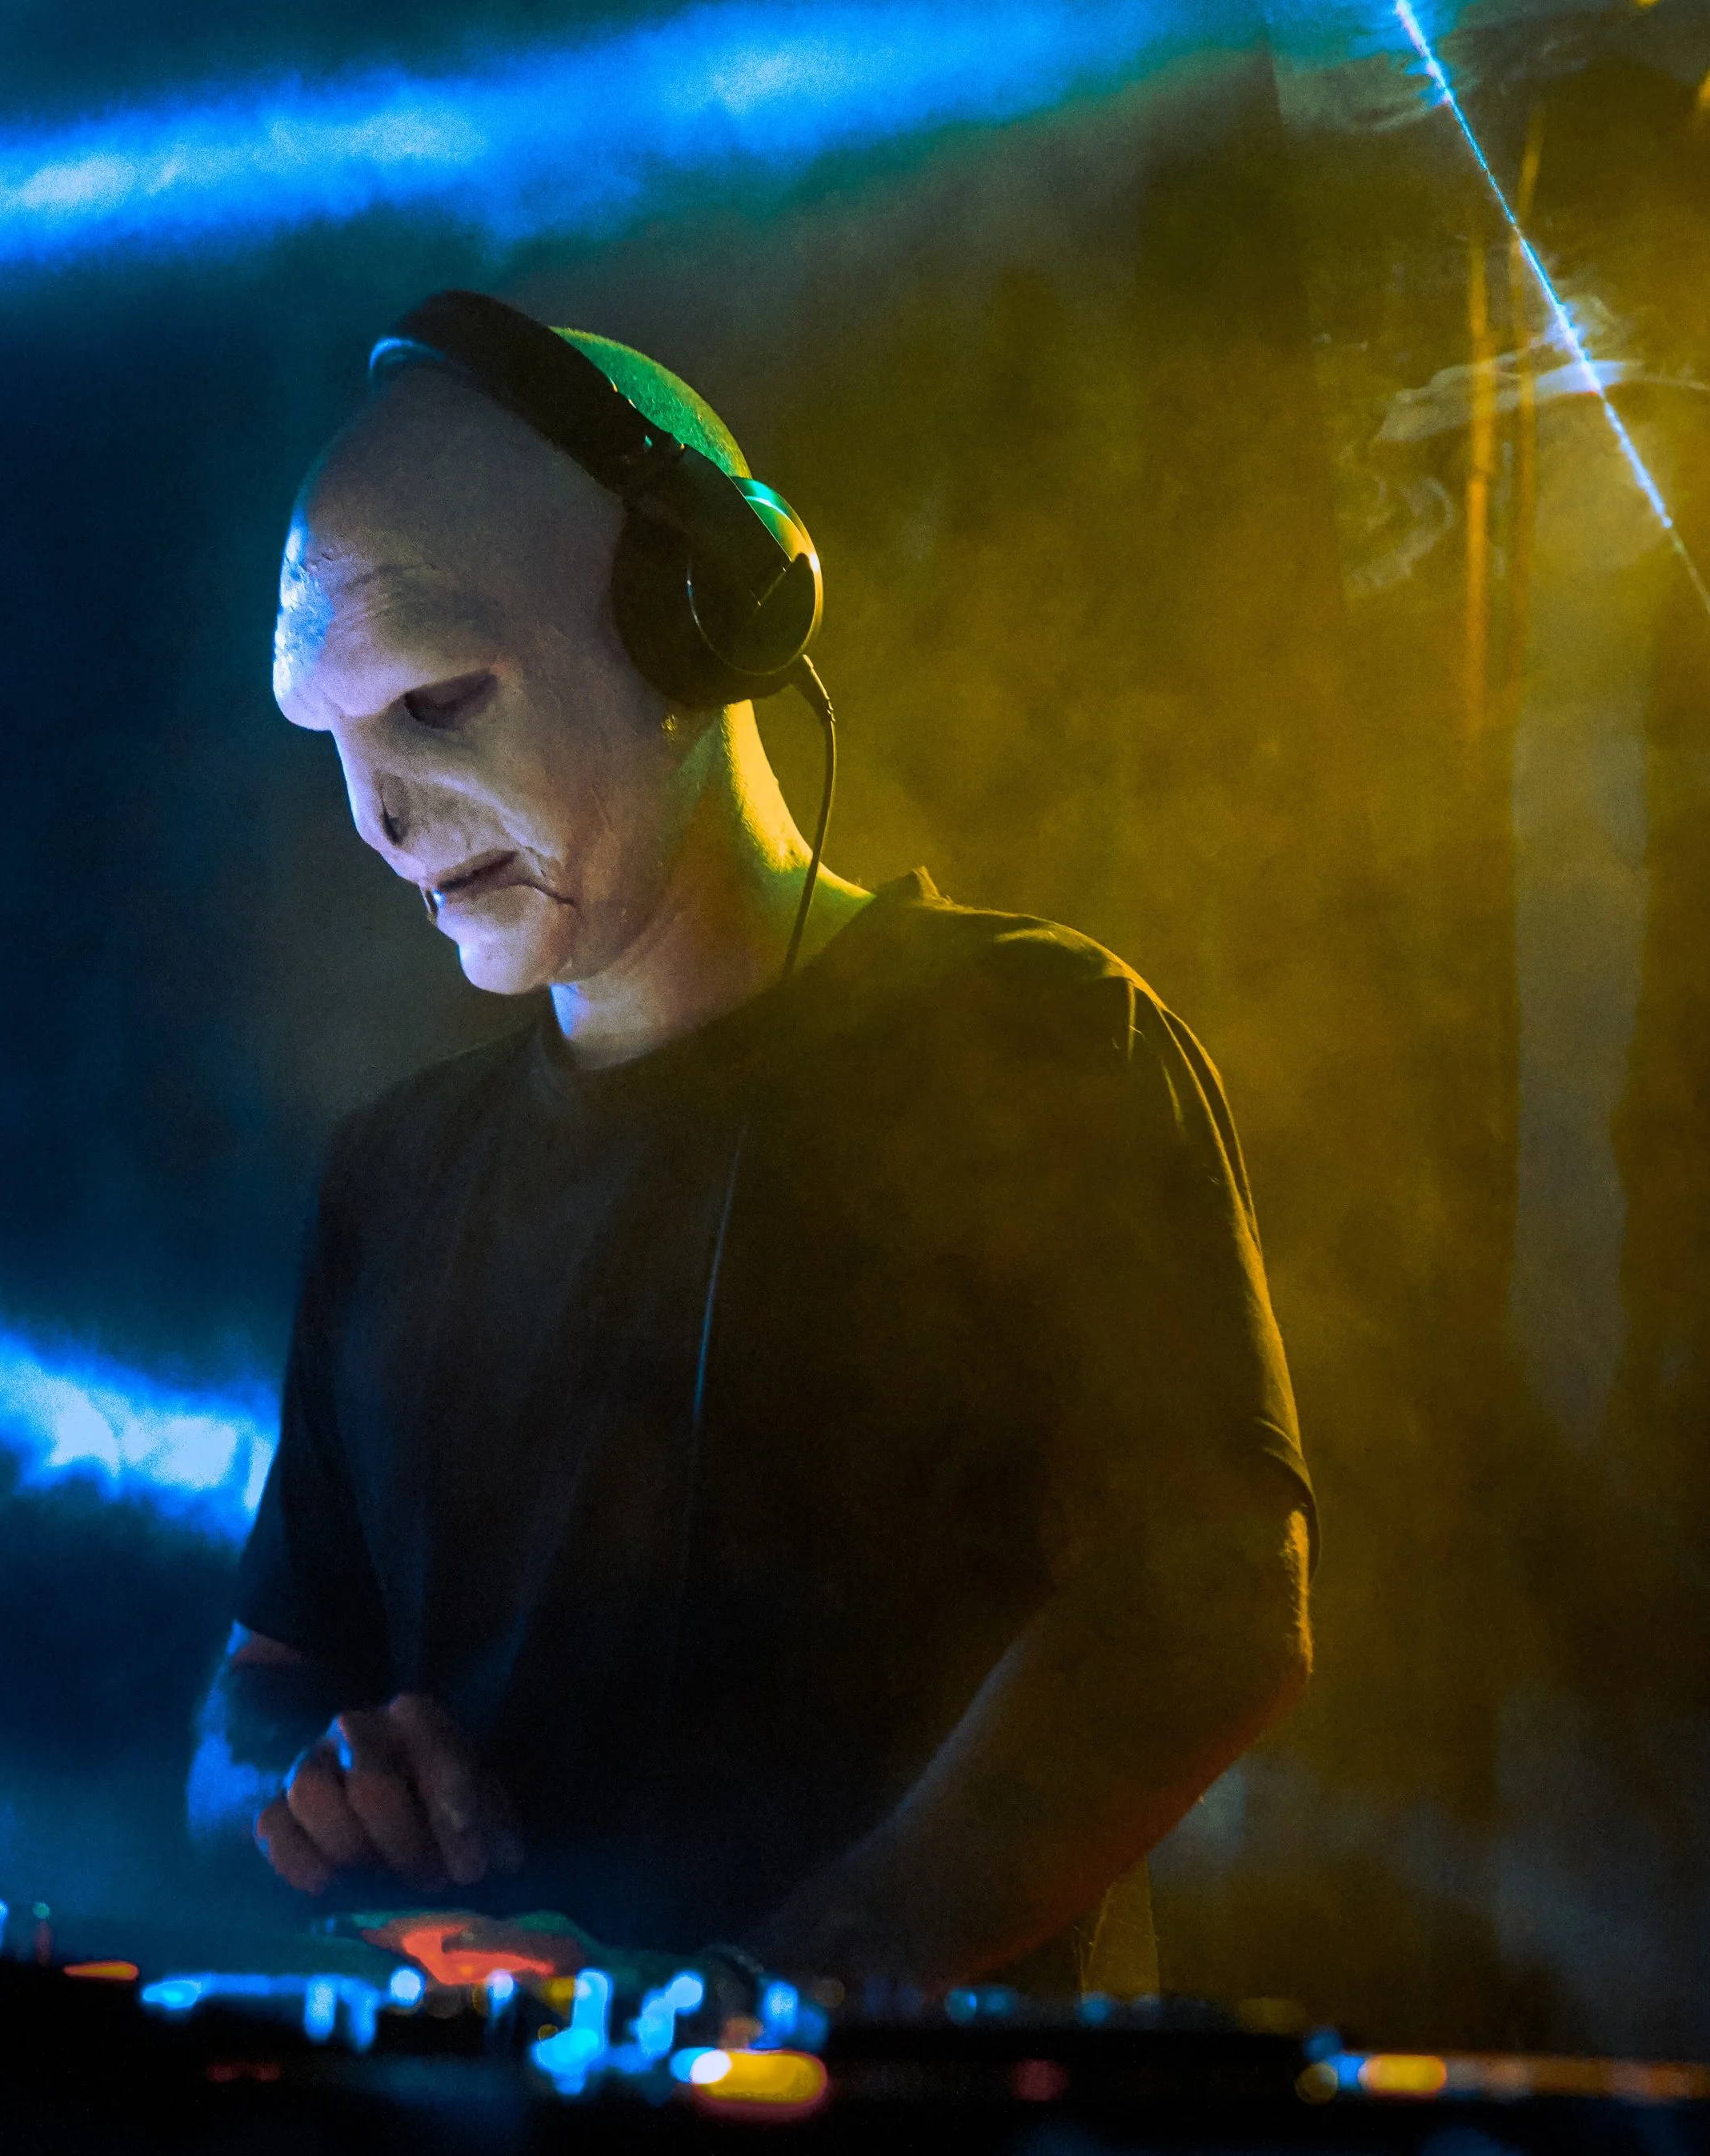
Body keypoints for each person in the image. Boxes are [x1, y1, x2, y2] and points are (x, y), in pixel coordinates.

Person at [189, 298, 1314, 1994]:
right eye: (333, 737)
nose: (378, 813)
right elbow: (244, 1707)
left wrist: (777, 1991)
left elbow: (1214, 1603)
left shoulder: (1034, 1043)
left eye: (434, 701)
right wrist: (306, 1782)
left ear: (686, 626)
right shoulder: (395, 1176)